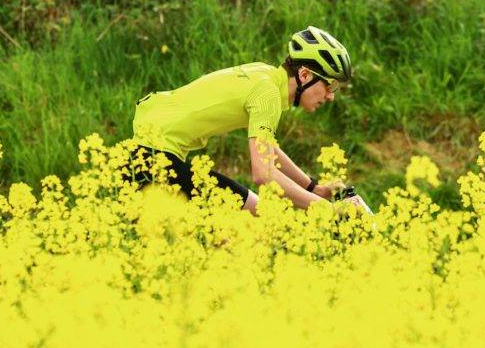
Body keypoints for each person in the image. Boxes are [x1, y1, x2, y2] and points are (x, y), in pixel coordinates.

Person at [126, 26, 361, 215]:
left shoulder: (265, 76)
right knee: (255, 218)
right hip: (156, 157)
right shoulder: (268, 95)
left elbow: (268, 149)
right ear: (305, 75)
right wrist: (328, 210)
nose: (331, 96)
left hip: (147, 152)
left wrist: (314, 188)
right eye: (330, 85)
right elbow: (263, 174)